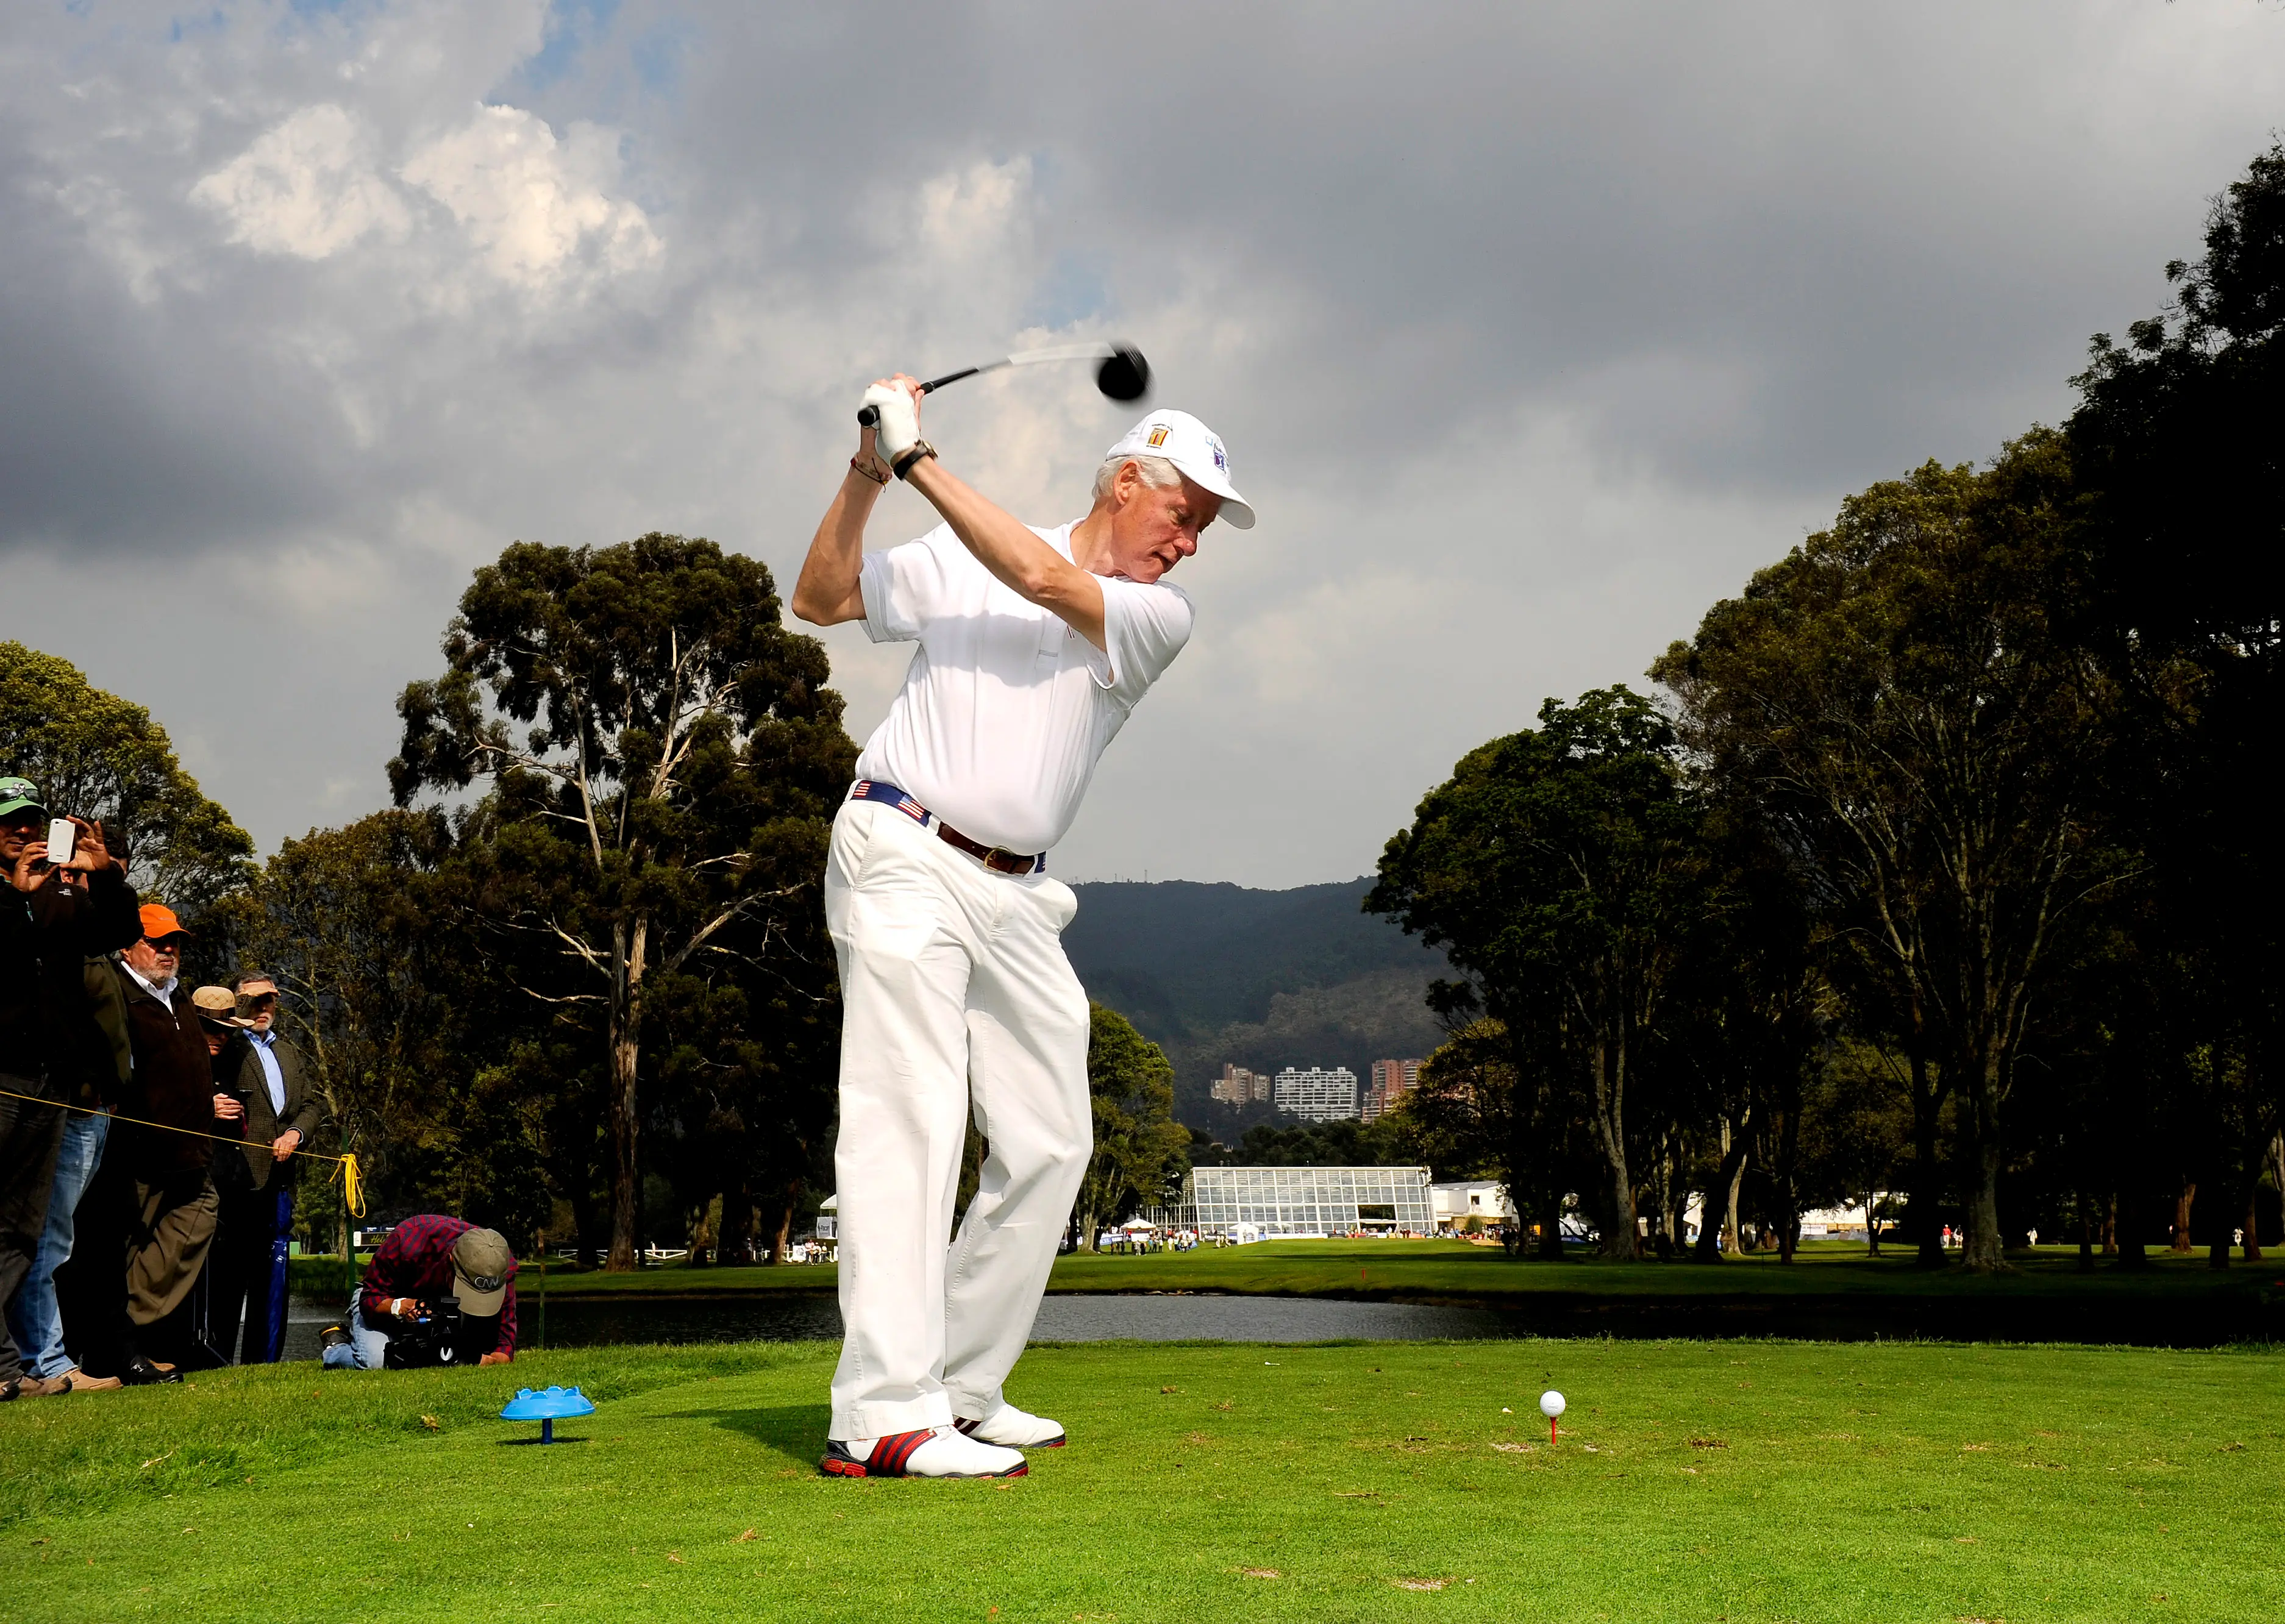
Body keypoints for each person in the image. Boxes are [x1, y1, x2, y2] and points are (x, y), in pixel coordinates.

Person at [791, 380, 1252, 1478]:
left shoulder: (1152, 615)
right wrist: (866, 469)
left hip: (1018, 893)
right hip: (901, 846)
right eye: (1181, 512)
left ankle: (957, 1385)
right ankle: (884, 1412)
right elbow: (819, 596)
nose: (1189, 544)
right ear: (1125, 479)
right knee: (912, 1119)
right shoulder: (962, 550)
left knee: (1051, 1139)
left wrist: (917, 463)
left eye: (1202, 529)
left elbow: (1042, 576)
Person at [0, 780, 140, 1399]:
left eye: (32, 822)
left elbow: (115, 931)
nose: (24, 833)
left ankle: (28, 1366)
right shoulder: (15, 897)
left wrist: (102, 874)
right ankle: (33, 1362)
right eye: (9, 823)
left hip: (49, 1082)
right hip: (4, 1078)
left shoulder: (55, 895)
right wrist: (17, 899)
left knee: (28, 1232)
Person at [101, 905, 223, 1376]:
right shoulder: (119, 992)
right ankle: (113, 1346)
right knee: (121, 1247)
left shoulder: (183, 999)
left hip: (192, 1156)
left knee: (197, 1223)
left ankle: (126, 1324)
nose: (168, 950)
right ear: (128, 946)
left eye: (174, 941)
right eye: (156, 941)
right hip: (138, 1155)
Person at [206, 971, 319, 1364]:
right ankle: (216, 1360)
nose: (263, 1008)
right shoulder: (225, 1045)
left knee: (272, 1280)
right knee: (227, 1277)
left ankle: (264, 1362)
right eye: (253, 1001)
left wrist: (295, 1133)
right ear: (238, 1003)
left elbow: (311, 1106)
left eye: (269, 999)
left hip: (280, 1182)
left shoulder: (289, 1051)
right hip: (233, 1182)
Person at [320, 1216, 516, 1370]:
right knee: (375, 1361)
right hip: (386, 1300)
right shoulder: (407, 1240)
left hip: (444, 1316)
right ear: (450, 1262)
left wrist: (487, 1359)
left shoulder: (497, 1263)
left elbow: (505, 1342)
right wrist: (400, 1306)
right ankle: (337, 1344)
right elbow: (370, 1299)